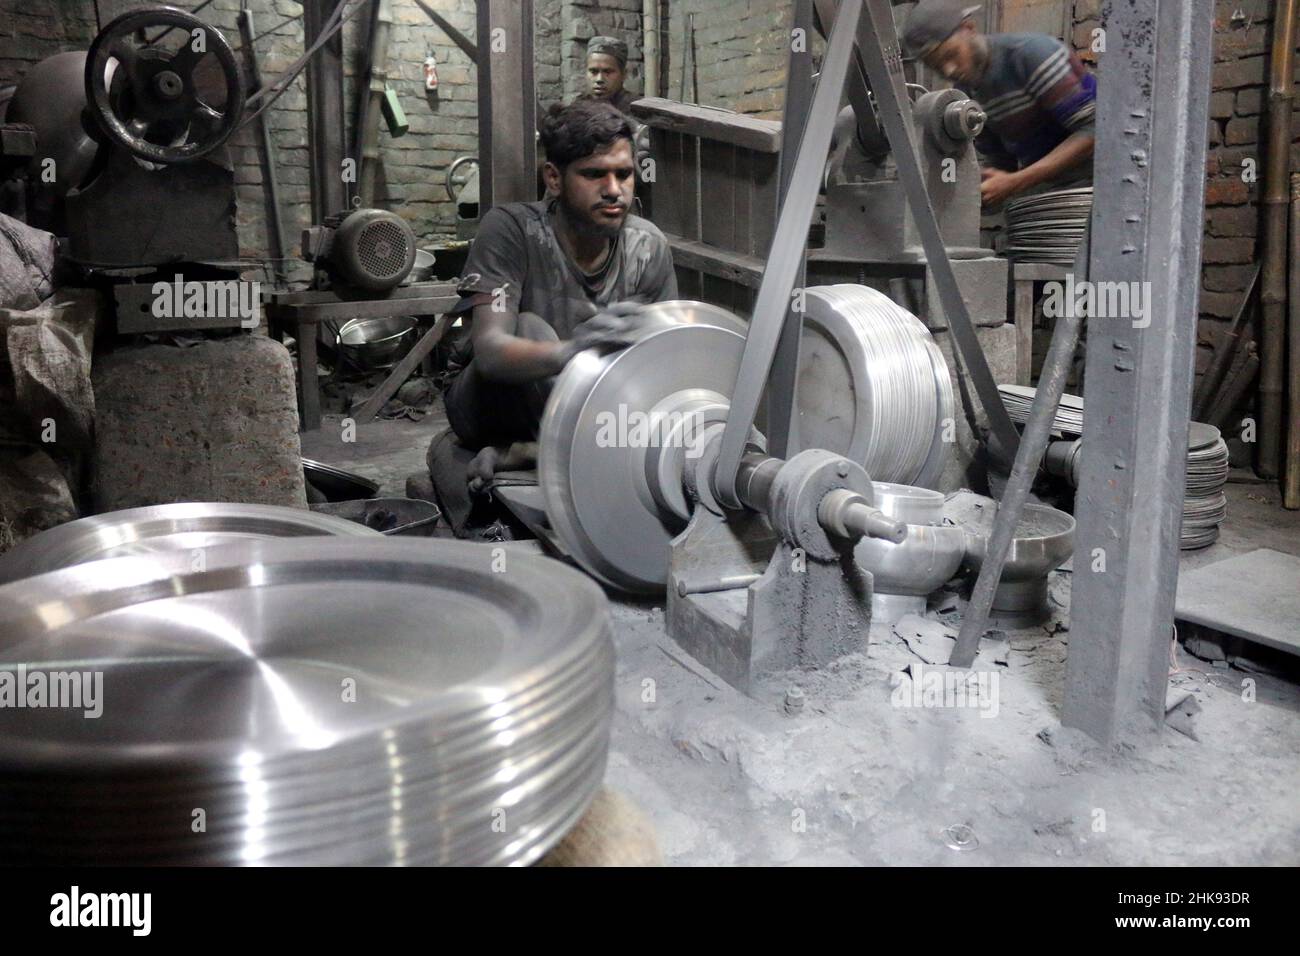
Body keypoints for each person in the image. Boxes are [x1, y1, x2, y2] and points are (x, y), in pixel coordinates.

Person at [433, 99, 677, 529]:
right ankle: (547, 451)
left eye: (624, 174)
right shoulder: (511, 230)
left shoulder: (648, 248)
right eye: (593, 174)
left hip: (588, 412)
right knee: (530, 327)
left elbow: (665, 363)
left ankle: (530, 452)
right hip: (489, 401)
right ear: (554, 178)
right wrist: (575, 352)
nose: (614, 189)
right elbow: (489, 351)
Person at [902, 0, 1096, 208]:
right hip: (1050, 200)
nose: (948, 70)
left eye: (951, 55)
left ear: (969, 29)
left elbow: (1094, 132)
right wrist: (981, 189)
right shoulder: (968, 91)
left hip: (1100, 188)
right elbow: (1003, 164)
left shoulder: (1031, 55)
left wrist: (1015, 182)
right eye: (935, 66)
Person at [584, 36, 638, 115]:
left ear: (623, 74)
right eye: (593, 71)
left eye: (608, 72)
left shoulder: (638, 112)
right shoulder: (574, 111)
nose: (599, 79)